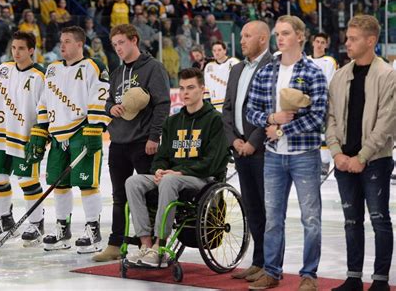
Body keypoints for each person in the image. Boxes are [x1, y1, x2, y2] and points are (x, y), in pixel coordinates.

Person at [246, 15, 327, 291]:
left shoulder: (313, 72)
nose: (279, 38)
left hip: (304, 154)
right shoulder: (267, 71)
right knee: (273, 218)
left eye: (285, 33)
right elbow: (251, 111)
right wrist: (272, 118)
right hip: (273, 156)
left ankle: (309, 275)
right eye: (277, 34)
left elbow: (318, 117)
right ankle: (271, 271)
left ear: (300, 36)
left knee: (311, 218)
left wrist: (280, 130)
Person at [125, 67, 229, 267]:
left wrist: (179, 172)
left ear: (202, 89)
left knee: (169, 180)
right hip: (172, 176)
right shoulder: (172, 122)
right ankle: (145, 243)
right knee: (133, 182)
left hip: (202, 179)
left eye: (191, 88)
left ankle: (159, 246)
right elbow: (162, 156)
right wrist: (158, 169)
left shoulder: (214, 119)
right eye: (182, 88)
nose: (185, 93)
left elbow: (214, 161)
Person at [327, 15, 395, 291]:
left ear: (371, 41)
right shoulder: (341, 75)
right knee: (351, 221)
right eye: (347, 37)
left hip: (375, 161)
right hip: (344, 161)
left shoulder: (388, 75)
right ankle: (353, 277)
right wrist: (336, 154)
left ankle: (380, 280)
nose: (347, 43)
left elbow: (388, 121)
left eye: (353, 38)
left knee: (379, 220)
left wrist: (363, 156)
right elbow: (330, 118)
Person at [92, 24, 170, 262]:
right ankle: (116, 243)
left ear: (134, 40)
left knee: (150, 195)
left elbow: (162, 104)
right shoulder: (116, 74)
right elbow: (108, 102)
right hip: (119, 142)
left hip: (143, 142)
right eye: (114, 45)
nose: (118, 49)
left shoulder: (153, 68)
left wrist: (154, 137)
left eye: (121, 43)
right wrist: (111, 108)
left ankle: (155, 244)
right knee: (119, 196)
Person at [31, 26, 110, 254]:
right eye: (60, 41)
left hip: (82, 132)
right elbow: (44, 101)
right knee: (59, 183)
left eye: (66, 41)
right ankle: (62, 229)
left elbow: (101, 96)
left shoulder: (93, 66)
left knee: (86, 183)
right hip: (57, 134)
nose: (61, 45)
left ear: (79, 44)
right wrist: (41, 130)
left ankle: (93, 230)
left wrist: (95, 128)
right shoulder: (52, 69)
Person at [0, 31, 47, 247]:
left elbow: (45, 109)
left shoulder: (40, 76)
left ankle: (36, 223)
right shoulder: (2, 70)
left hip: (25, 136)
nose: (16, 52)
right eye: (14, 48)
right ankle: (5, 220)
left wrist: (40, 133)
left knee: (27, 180)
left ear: (31, 50)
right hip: (1, 133)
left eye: (21, 48)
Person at [222, 20, 273, 282]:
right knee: (252, 208)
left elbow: (271, 110)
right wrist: (234, 141)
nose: (241, 40)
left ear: (263, 39)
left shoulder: (273, 67)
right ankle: (258, 261)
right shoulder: (237, 68)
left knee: (268, 210)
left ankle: (271, 265)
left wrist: (253, 141)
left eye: (247, 35)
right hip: (241, 150)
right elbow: (227, 109)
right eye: (241, 35)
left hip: (263, 150)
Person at [308, 32, 339, 178]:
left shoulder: (329, 61)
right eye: (317, 41)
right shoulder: (305, 60)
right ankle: (311, 161)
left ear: (326, 45)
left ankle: (325, 162)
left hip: (322, 103)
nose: (319, 44)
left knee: (323, 134)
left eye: (322, 42)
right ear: (313, 43)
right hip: (305, 103)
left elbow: (331, 83)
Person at [203, 41, 239, 112]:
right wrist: (207, 103)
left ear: (225, 51)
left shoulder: (234, 62)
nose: (216, 52)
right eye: (214, 50)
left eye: (219, 50)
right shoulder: (209, 67)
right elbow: (207, 87)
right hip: (215, 106)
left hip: (231, 105)